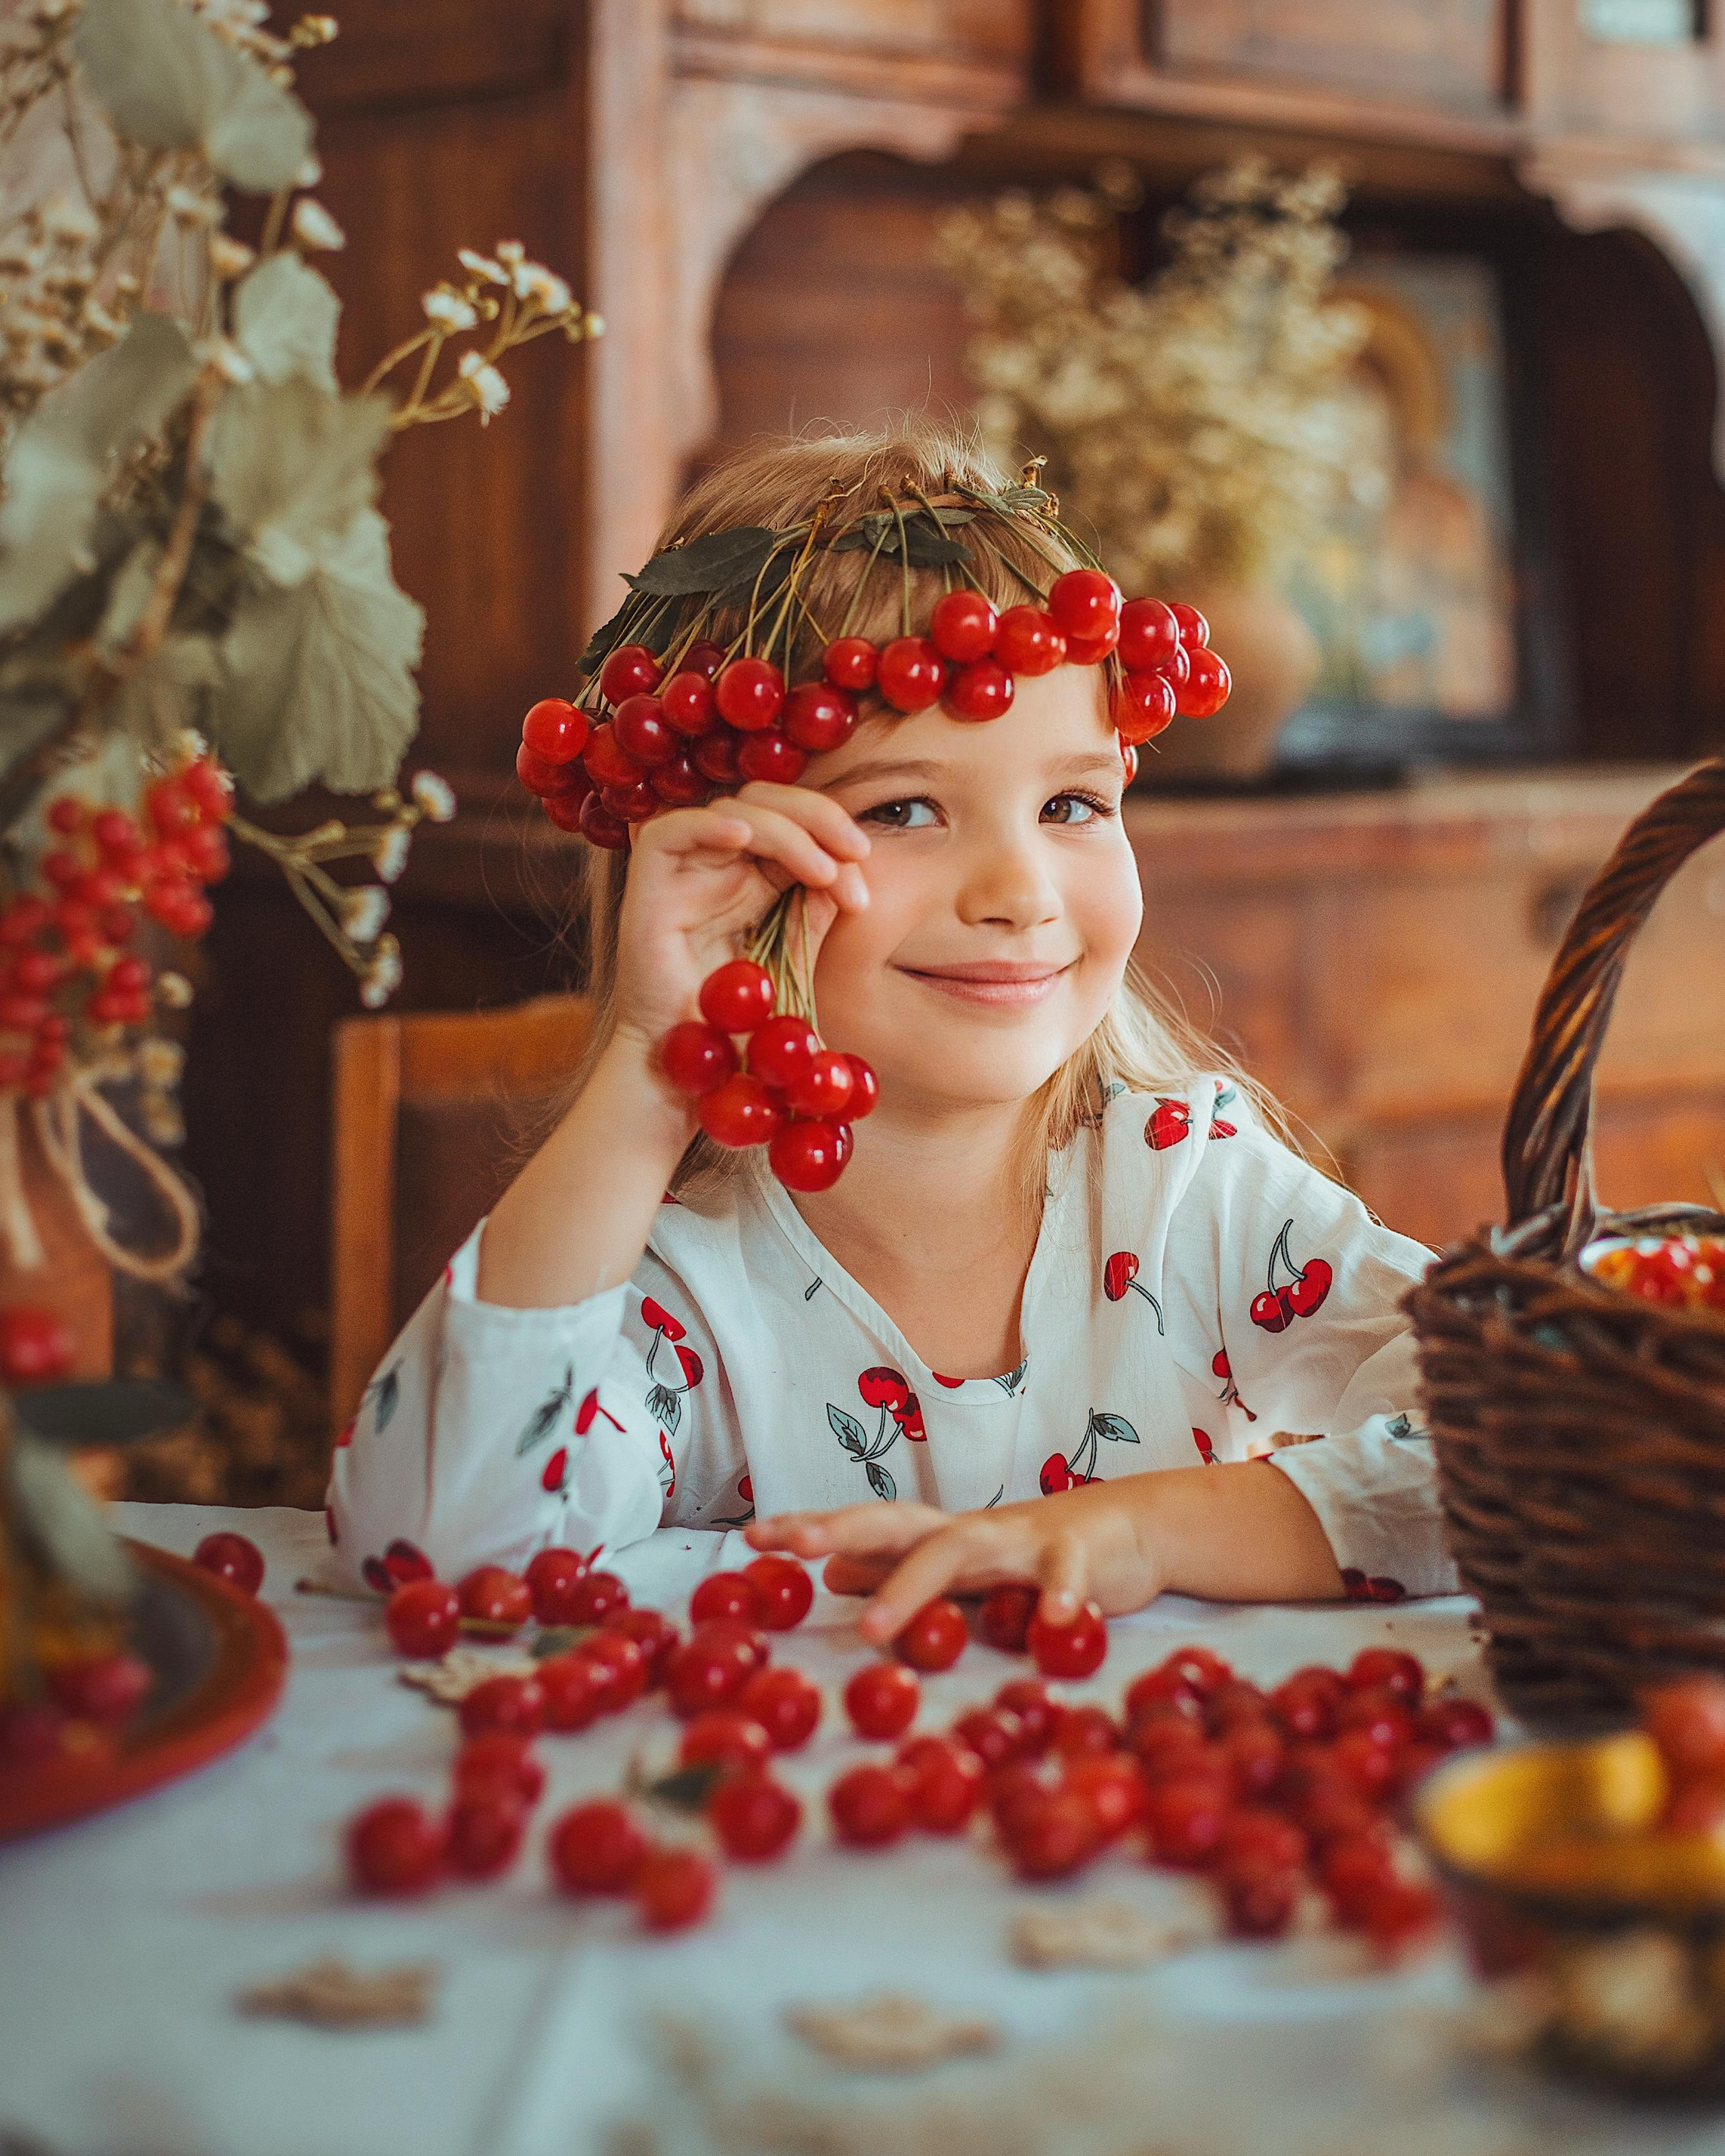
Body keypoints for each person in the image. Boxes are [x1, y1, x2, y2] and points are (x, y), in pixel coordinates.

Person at [329, 422, 1454, 1641]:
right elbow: (434, 1545)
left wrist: (1136, 1531)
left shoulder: (1199, 1200)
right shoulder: (689, 1292)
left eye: (1074, 802)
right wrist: (661, 1061)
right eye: (908, 808)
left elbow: (1524, 1445)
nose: (1019, 892)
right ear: (728, 871)